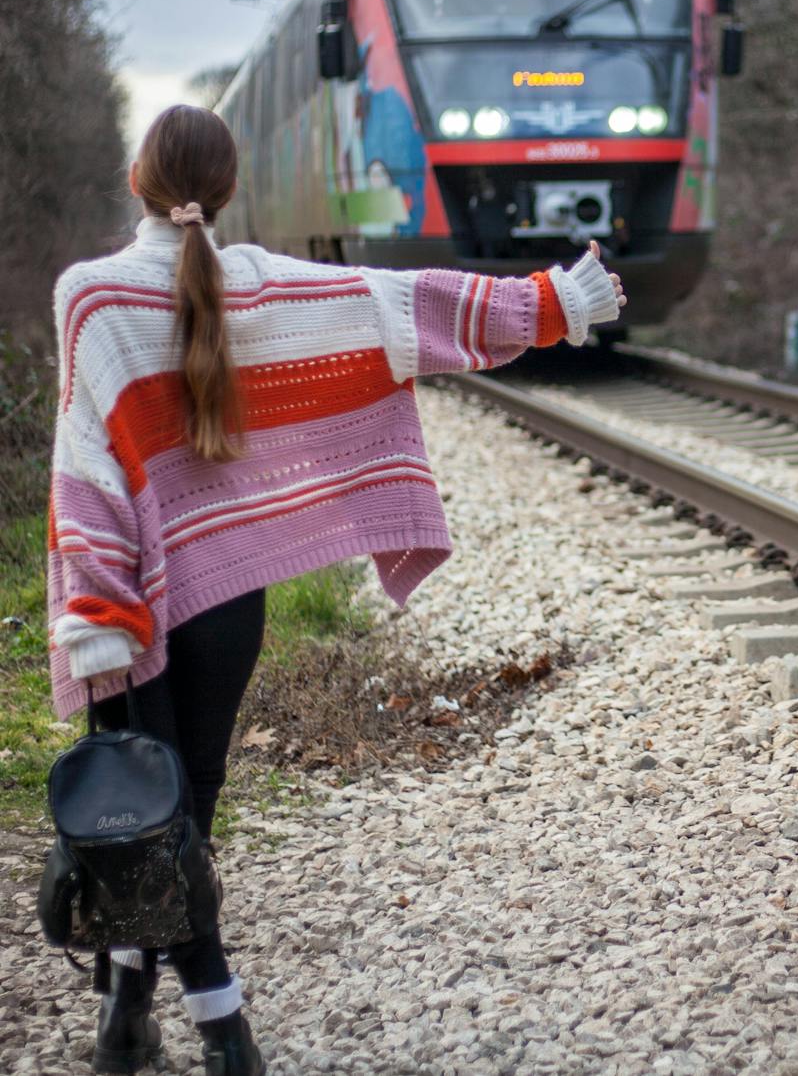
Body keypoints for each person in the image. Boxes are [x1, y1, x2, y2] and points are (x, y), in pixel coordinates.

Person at [46, 104, 624, 1075]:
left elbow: (85, 476)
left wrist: (98, 616)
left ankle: (216, 1026)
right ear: (226, 188)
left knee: (140, 809)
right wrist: (554, 301)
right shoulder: (274, 286)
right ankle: (131, 1013)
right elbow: (409, 306)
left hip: (125, 610)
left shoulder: (90, 298)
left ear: (136, 178)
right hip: (228, 600)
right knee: (186, 805)